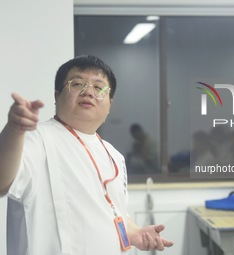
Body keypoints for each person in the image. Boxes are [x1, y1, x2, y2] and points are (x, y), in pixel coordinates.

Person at [0, 55, 173, 255]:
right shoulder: (37, 139)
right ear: (57, 96)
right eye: (77, 84)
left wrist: (134, 232)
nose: (88, 92)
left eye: (98, 87)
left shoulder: (113, 155)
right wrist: (14, 130)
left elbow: (113, 210)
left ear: (110, 104)